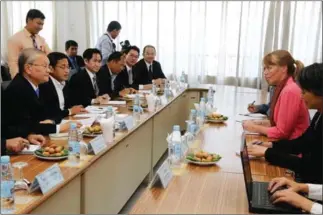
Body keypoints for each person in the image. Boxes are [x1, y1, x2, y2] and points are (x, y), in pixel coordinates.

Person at [247, 63, 323, 183]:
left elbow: (312, 168)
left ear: (319, 92)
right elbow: (302, 143)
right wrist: (270, 145)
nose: (301, 96)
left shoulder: (290, 91)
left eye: (304, 92)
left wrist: (268, 154)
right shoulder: (320, 113)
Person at [2, 48, 79, 138]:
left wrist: (50, 121)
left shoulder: (38, 85)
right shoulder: (17, 89)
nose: (49, 71)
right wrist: (58, 127)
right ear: (28, 69)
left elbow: (49, 114)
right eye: (44, 66)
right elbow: (22, 126)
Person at [242, 50, 309, 140]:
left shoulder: (290, 90)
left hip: (294, 150)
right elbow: (280, 124)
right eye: (264, 69)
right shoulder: (281, 87)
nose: (265, 73)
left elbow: (282, 133)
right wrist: (258, 123)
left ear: (284, 68)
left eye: (269, 68)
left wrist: (255, 128)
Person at [39, 52, 87, 122]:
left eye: (68, 67)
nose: (67, 71)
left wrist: (74, 108)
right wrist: (70, 111)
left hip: (64, 120)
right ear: (51, 68)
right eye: (63, 67)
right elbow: (51, 113)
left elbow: (67, 105)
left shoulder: (65, 83)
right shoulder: (45, 85)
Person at [7, 9, 51, 78]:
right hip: (26, 78)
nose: (41, 27)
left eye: (42, 24)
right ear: (29, 20)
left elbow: (50, 55)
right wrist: (18, 82)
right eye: (38, 23)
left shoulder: (41, 39)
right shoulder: (15, 39)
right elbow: (13, 64)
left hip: (41, 77)